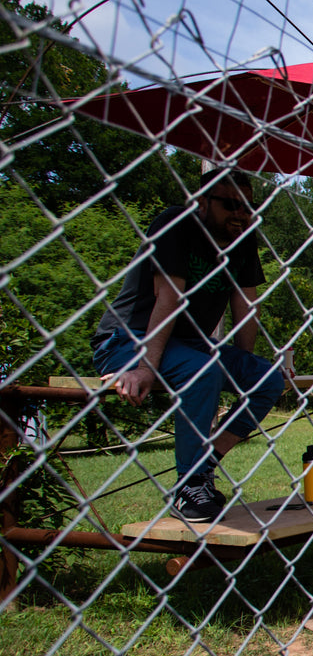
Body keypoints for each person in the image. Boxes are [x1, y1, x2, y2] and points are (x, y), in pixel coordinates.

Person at [91, 167, 287, 523]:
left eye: (247, 206)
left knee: (269, 378)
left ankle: (205, 462)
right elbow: (168, 298)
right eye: (230, 204)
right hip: (129, 340)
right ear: (201, 202)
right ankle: (190, 485)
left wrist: (245, 369)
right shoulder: (176, 224)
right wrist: (144, 368)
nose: (240, 214)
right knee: (203, 370)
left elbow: (245, 309)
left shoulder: (243, 239)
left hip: (190, 344)